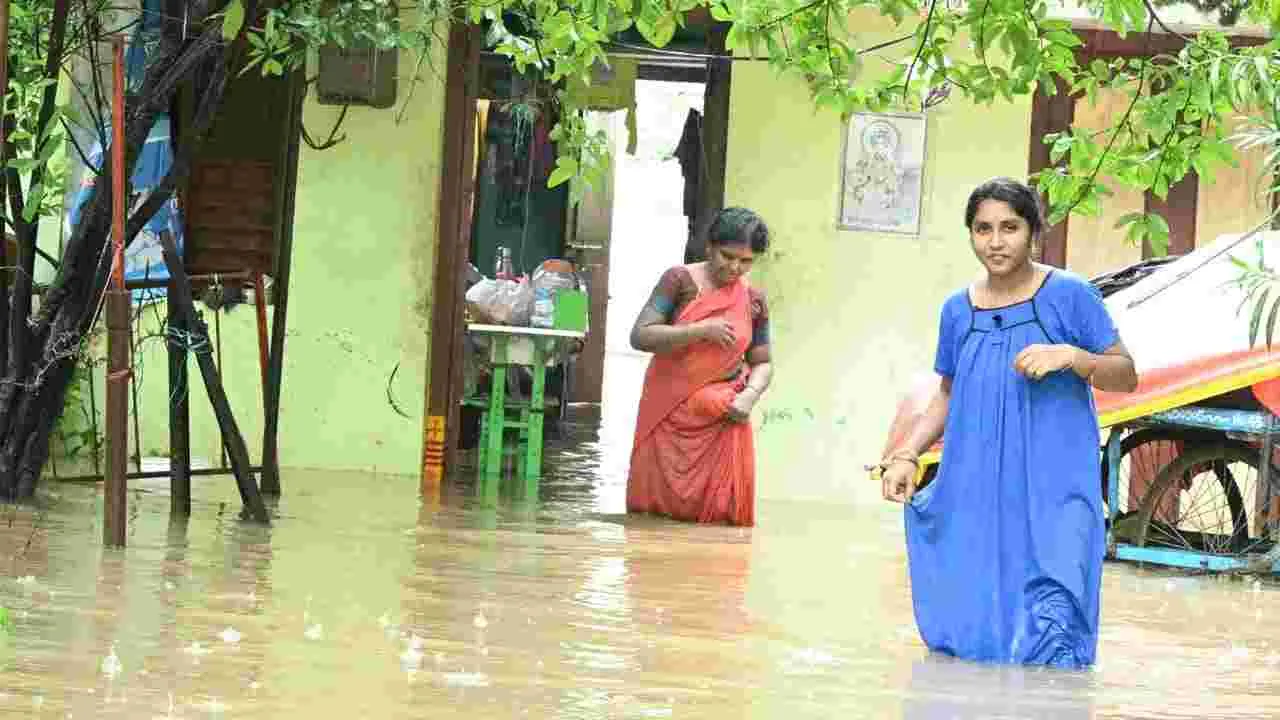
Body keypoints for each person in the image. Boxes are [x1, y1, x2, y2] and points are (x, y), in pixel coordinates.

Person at [879, 177, 1138, 669]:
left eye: (1009, 227)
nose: (995, 242)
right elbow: (947, 394)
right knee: (975, 626)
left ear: (1033, 232)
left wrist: (1073, 356)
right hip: (979, 489)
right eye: (983, 229)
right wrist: (907, 454)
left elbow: (1126, 376)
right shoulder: (958, 310)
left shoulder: (1070, 295)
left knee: (1058, 615)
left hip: (1055, 486)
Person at [627, 207, 774, 526]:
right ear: (709, 246)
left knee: (723, 522)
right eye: (727, 255)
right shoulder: (679, 280)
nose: (735, 267)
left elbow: (762, 363)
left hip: (724, 417)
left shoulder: (754, 301)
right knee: (653, 517)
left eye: (746, 261)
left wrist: (750, 396)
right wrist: (700, 330)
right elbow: (640, 335)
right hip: (668, 414)